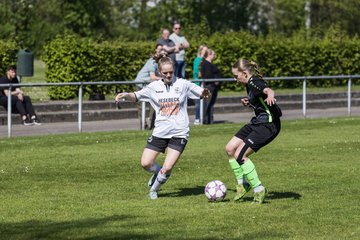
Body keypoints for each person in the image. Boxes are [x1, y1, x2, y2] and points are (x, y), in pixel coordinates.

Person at [115, 56, 210, 200]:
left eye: (171, 72)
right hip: (160, 131)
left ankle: (153, 190)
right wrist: (125, 95)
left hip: (179, 132)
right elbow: (136, 96)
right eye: (165, 73)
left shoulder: (183, 84)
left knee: (168, 167)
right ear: (159, 72)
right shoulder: (154, 87)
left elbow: (201, 92)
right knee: (145, 163)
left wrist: (205, 93)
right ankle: (158, 173)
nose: (168, 75)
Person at [225, 59, 282, 204]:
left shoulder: (253, 81)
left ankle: (258, 188)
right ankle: (242, 185)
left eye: (236, 76)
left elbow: (267, 90)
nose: (235, 79)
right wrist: (249, 102)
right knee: (230, 148)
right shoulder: (249, 84)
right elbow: (260, 101)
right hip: (258, 122)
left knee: (240, 154)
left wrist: (270, 95)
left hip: (268, 125)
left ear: (244, 74)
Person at [134, 44, 166, 129]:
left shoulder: (159, 62)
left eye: (162, 49)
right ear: (156, 50)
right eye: (159, 49)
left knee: (154, 103)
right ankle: (143, 126)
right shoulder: (153, 62)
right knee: (141, 107)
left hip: (148, 84)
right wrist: (165, 79)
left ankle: (150, 124)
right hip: (141, 84)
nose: (161, 51)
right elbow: (152, 77)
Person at [200, 48, 221, 124]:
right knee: (207, 104)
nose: (215, 56)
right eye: (213, 54)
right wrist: (215, 81)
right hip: (210, 86)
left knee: (210, 104)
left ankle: (209, 120)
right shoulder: (206, 64)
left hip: (212, 86)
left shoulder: (209, 64)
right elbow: (207, 76)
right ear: (209, 55)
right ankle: (206, 120)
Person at [192, 45, 208, 125]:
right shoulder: (198, 60)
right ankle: (197, 119)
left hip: (203, 84)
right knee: (199, 102)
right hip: (198, 84)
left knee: (204, 102)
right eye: (205, 50)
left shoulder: (205, 60)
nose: (206, 52)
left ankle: (203, 118)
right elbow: (196, 72)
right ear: (201, 51)